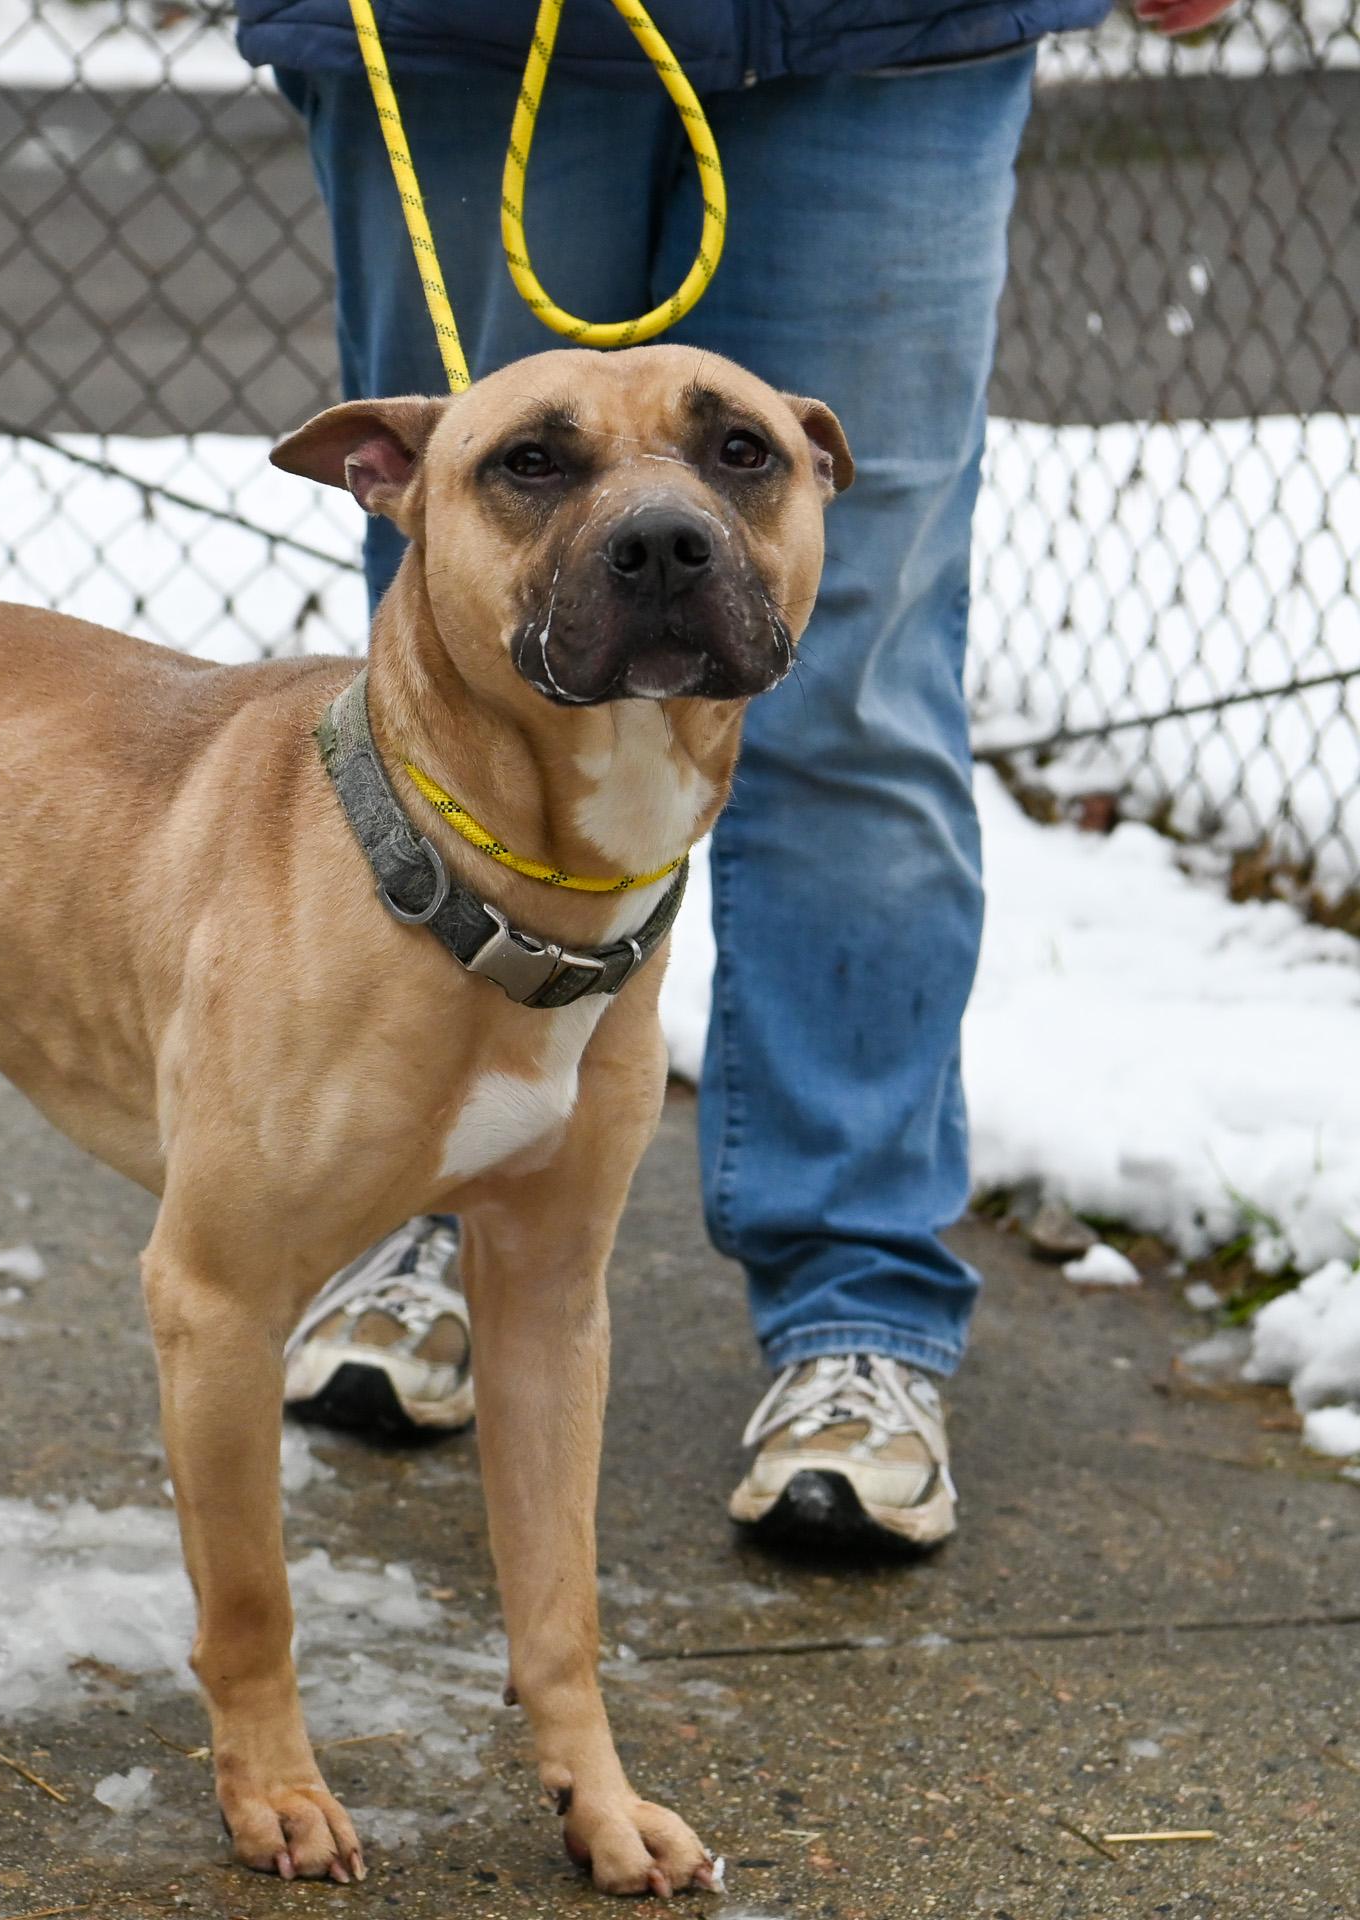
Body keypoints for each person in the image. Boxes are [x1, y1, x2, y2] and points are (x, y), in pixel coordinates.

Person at [246, 0, 1235, 1551]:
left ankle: (860, 1314)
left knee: (851, 695)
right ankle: (413, 1214)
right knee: (471, 670)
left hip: (894, 25)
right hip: (461, 29)